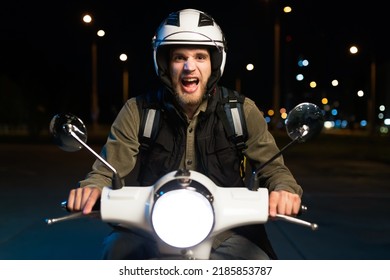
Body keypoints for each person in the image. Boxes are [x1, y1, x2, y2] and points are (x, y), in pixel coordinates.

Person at [66, 8, 303, 260]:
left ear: (214, 64)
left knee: (260, 263)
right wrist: (92, 188)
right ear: (165, 64)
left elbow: (274, 170)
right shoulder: (139, 110)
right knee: (115, 251)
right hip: (151, 226)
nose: (189, 67)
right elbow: (105, 169)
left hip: (228, 230)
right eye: (180, 57)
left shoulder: (241, 111)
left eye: (200, 57)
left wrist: (283, 190)